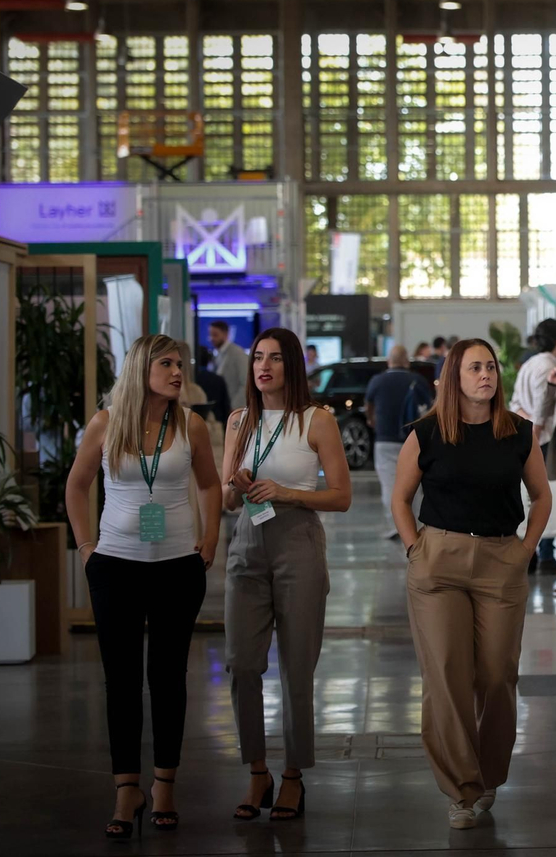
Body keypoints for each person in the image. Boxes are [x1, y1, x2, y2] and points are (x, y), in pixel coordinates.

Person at [391, 338, 552, 830]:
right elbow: (401, 498)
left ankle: (488, 775)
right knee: (446, 676)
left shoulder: (519, 432)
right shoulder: (427, 433)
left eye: (491, 367)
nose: (486, 375)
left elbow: (541, 496)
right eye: (475, 367)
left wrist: (525, 549)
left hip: (502, 560)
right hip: (438, 562)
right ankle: (462, 788)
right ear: (454, 377)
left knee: (498, 675)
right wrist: (415, 548)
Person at [64, 337, 219, 838]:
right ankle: (126, 787)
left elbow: (210, 483)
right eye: (167, 364)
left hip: (177, 566)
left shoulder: (189, 424)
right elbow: (77, 484)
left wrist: (209, 537)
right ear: (140, 369)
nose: (178, 372)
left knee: (170, 676)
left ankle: (165, 783)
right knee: (122, 679)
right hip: (116, 566)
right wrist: (87, 547)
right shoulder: (107, 424)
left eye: (180, 364)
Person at [220, 327, 352, 822]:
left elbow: (341, 496)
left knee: (297, 667)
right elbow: (228, 500)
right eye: (257, 357)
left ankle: (293, 774)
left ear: (292, 365)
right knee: (242, 663)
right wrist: (239, 485)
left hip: (298, 542)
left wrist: (286, 492)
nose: (263, 366)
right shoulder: (239, 421)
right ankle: (258, 772)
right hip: (247, 545)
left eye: (274, 358)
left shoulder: (316, 421)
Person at [509, 318, 556, 577]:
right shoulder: (549, 366)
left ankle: (536, 553)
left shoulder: (530, 364)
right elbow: (539, 410)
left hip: (531, 438)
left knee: (535, 497)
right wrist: (535, 428)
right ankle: (543, 553)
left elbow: (515, 404)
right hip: (543, 443)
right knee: (546, 498)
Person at [365, 345, 434, 540]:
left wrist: (373, 421)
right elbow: (429, 407)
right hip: (414, 440)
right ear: (406, 361)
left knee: (389, 484)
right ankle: (416, 525)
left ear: (389, 361)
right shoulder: (417, 380)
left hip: (385, 440)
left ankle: (396, 525)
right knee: (415, 485)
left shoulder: (377, 381)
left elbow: (368, 405)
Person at [208, 320, 248, 410]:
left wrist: (234, 407)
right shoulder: (218, 354)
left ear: (225, 334)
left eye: (215, 335)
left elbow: (245, 383)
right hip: (222, 408)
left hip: (233, 408)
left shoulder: (238, 354)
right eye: (210, 335)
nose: (212, 338)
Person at [195, 346, 231, 424]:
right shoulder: (218, 379)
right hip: (216, 425)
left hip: (196, 423)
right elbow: (225, 406)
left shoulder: (193, 379)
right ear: (209, 360)